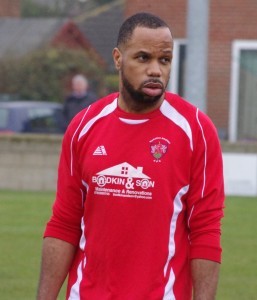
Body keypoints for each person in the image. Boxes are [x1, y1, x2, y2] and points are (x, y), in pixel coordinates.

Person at [37, 12, 225, 300]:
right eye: (143, 58)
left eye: (164, 60)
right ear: (117, 58)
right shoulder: (84, 126)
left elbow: (205, 230)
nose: (156, 70)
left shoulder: (196, 130)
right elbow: (64, 222)